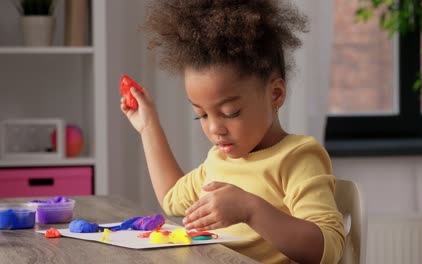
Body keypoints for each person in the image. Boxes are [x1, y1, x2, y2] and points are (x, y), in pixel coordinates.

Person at [121, 0, 344, 263]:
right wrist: (148, 127)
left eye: (230, 113)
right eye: (201, 115)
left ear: (275, 94)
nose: (215, 128)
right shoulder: (219, 161)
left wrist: (251, 210)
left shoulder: (298, 158)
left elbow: (328, 248)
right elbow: (172, 197)